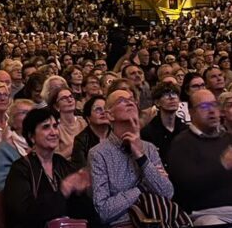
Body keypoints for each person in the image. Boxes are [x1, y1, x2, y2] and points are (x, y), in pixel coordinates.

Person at [164, 88, 232, 225]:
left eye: (214, 105)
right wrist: (224, 164)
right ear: (191, 112)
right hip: (210, 213)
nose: (211, 110)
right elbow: (187, 184)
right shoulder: (182, 143)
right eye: (204, 106)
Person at [89, 90, 176, 227]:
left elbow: (167, 193)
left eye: (131, 99)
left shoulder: (149, 148)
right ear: (109, 115)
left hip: (157, 220)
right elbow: (104, 211)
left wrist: (141, 157)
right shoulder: (98, 154)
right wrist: (142, 188)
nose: (130, 102)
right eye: (121, 100)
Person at [2, 107, 95, 228]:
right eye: (46, 127)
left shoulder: (62, 164)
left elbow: (85, 212)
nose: (54, 132)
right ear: (31, 136)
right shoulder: (20, 169)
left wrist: (82, 190)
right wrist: (63, 191)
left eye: (55, 126)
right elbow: (24, 214)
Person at [0, 99, 33, 192]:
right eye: (24, 112)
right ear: (13, 121)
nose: (31, 116)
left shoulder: (41, 144)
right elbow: (1, 185)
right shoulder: (3, 149)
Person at [140, 82, 183, 156]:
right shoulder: (148, 132)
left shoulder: (185, 129)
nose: (172, 97)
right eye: (166, 94)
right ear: (157, 102)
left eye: (174, 94)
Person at [71, 94, 109, 170]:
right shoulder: (81, 140)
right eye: (98, 109)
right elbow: (81, 170)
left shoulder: (116, 134)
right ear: (88, 118)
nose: (103, 112)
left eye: (105, 108)